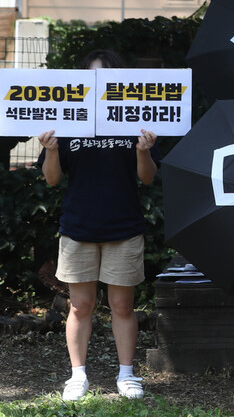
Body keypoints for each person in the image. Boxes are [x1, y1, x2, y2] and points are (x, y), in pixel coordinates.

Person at [37, 49, 160, 401]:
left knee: (123, 306)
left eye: (106, 74)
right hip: (78, 226)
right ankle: (78, 376)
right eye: (91, 74)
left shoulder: (135, 118)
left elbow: (148, 178)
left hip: (124, 226)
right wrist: (51, 150)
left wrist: (142, 151)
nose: (98, 80)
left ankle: (127, 375)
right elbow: (51, 180)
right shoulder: (66, 119)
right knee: (80, 306)